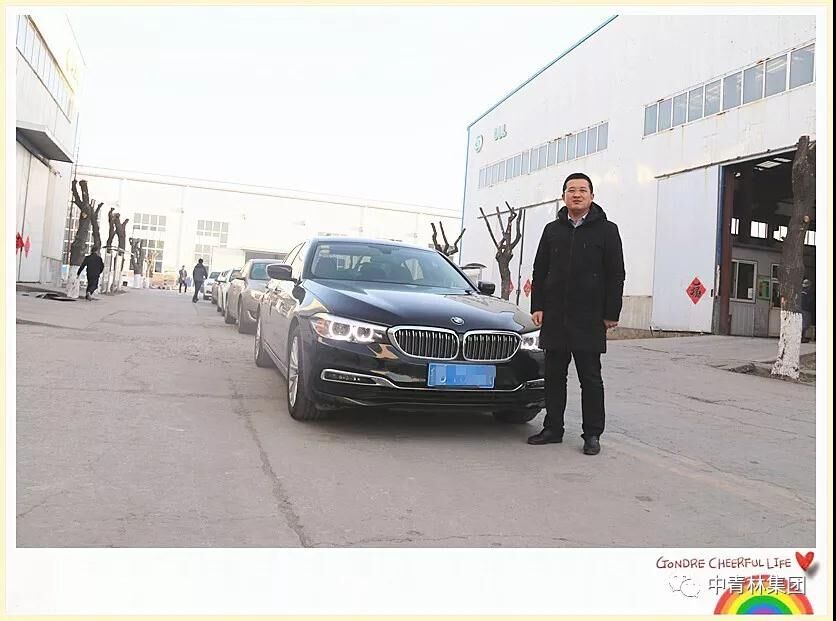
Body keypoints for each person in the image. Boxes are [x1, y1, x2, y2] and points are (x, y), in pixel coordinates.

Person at [527, 173, 625, 455]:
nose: (577, 195)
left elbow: (616, 274)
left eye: (583, 190)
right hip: (555, 315)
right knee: (554, 376)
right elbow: (539, 270)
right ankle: (552, 428)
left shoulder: (607, 230)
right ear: (563, 196)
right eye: (571, 190)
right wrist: (538, 305)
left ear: (592, 196)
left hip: (590, 317)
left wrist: (611, 312)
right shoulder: (552, 230)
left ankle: (592, 434)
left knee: (590, 378)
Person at [800, 278, 814, 343]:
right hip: (806, 310)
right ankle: (802, 338)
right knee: (805, 324)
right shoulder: (808, 291)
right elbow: (810, 301)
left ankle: (802, 337)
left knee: (803, 324)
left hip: (802, 309)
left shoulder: (801, 291)